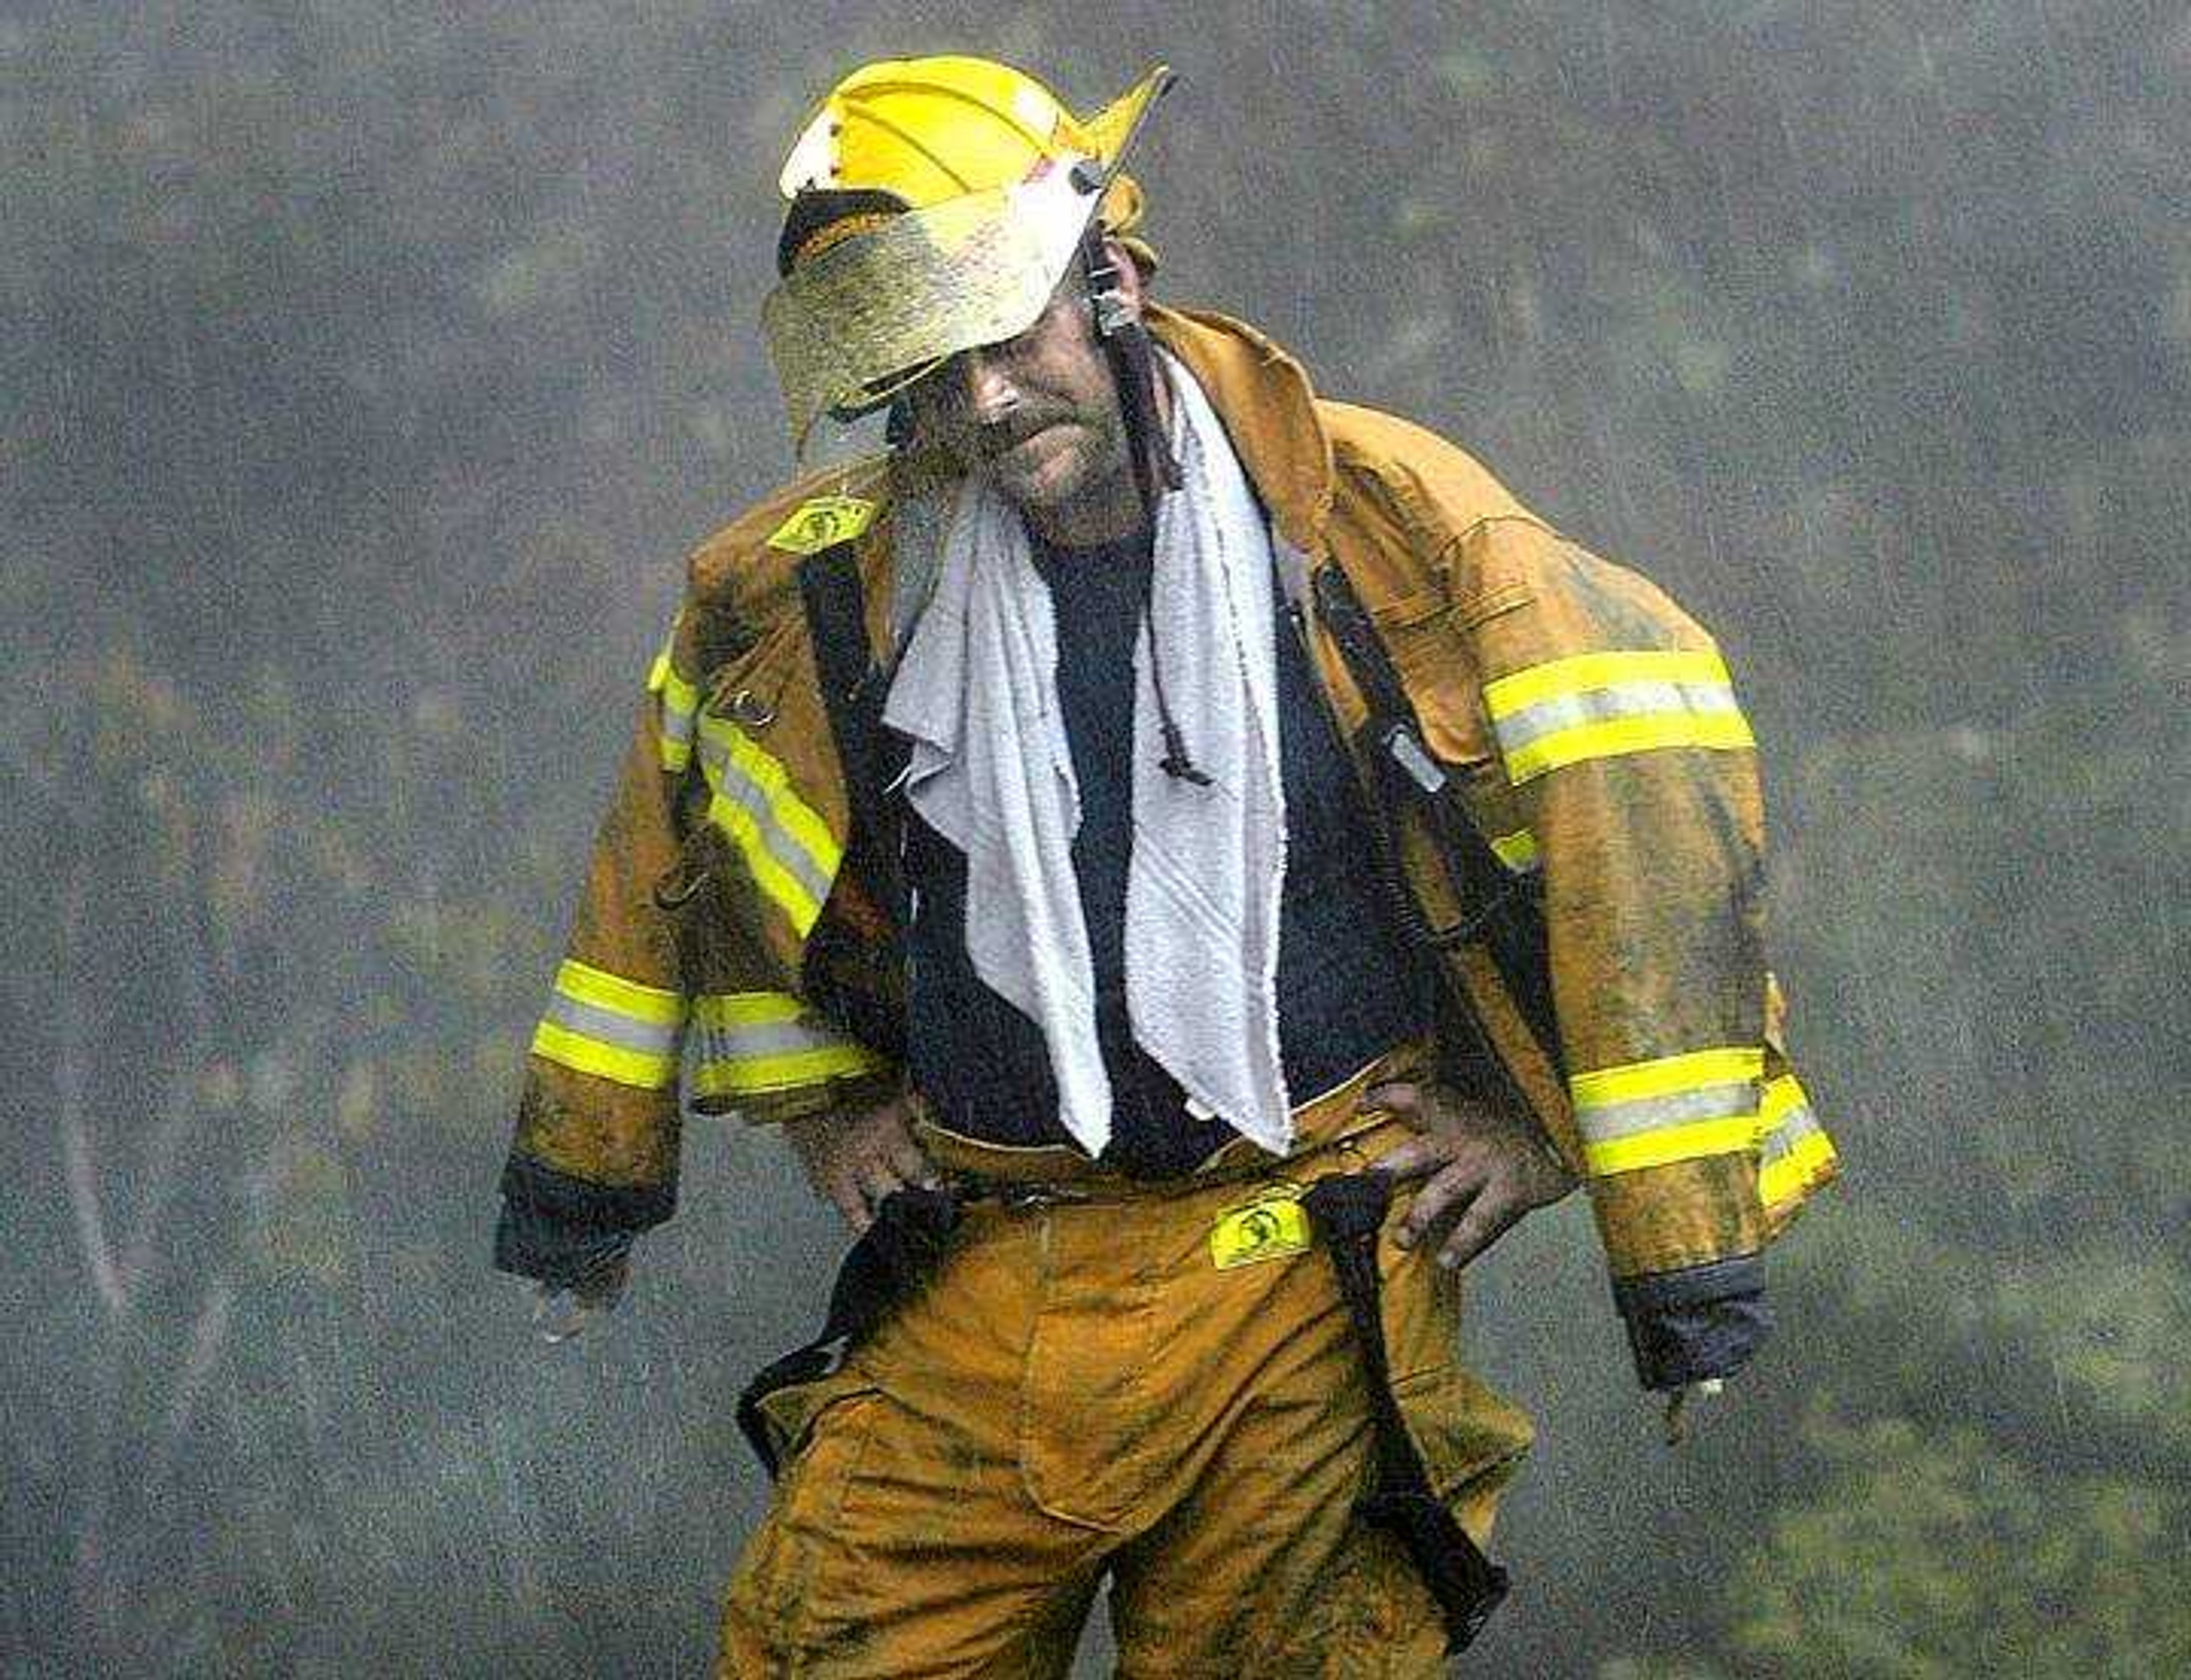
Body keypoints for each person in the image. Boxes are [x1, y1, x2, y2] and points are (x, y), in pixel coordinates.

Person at [493, 54, 1839, 1675]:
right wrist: (805, 1114)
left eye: (1009, 337)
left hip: (1302, 1262)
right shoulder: (812, 594)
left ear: (1113, 284)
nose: (982, 405)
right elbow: (691, 851)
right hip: (987, 1264)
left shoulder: (1385, 528)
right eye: (928, 372)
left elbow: (1645, 824)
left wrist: (1568, 1150)